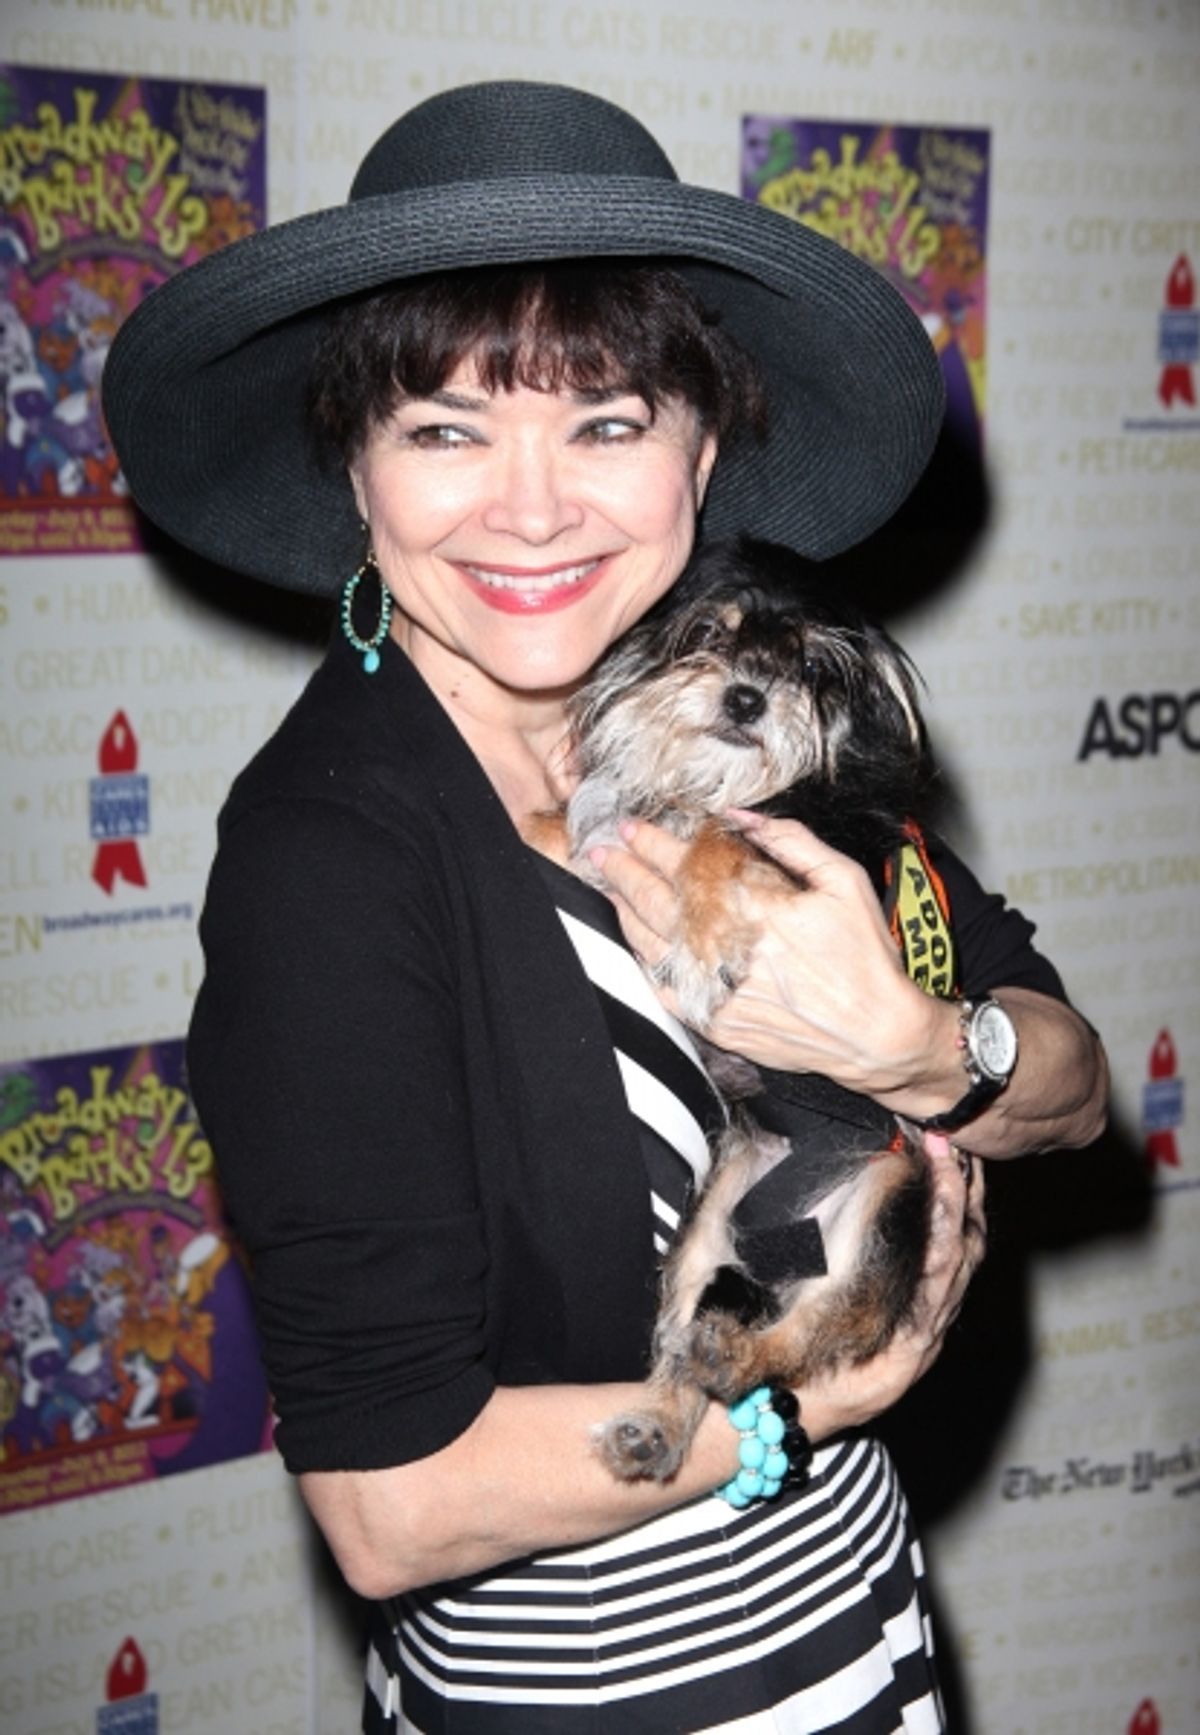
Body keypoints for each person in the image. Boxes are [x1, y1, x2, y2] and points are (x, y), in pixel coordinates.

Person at [103, 81, 1107, 1734]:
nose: (532, 506)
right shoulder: (328, 856)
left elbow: (1064, 1079)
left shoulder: (753, 724)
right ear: (355, 470)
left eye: (607, 422)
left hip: (866, 1652)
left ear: (702, 452)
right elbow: (389, 1505)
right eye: (444, 429)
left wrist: (938, 1050)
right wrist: (794, 1413)